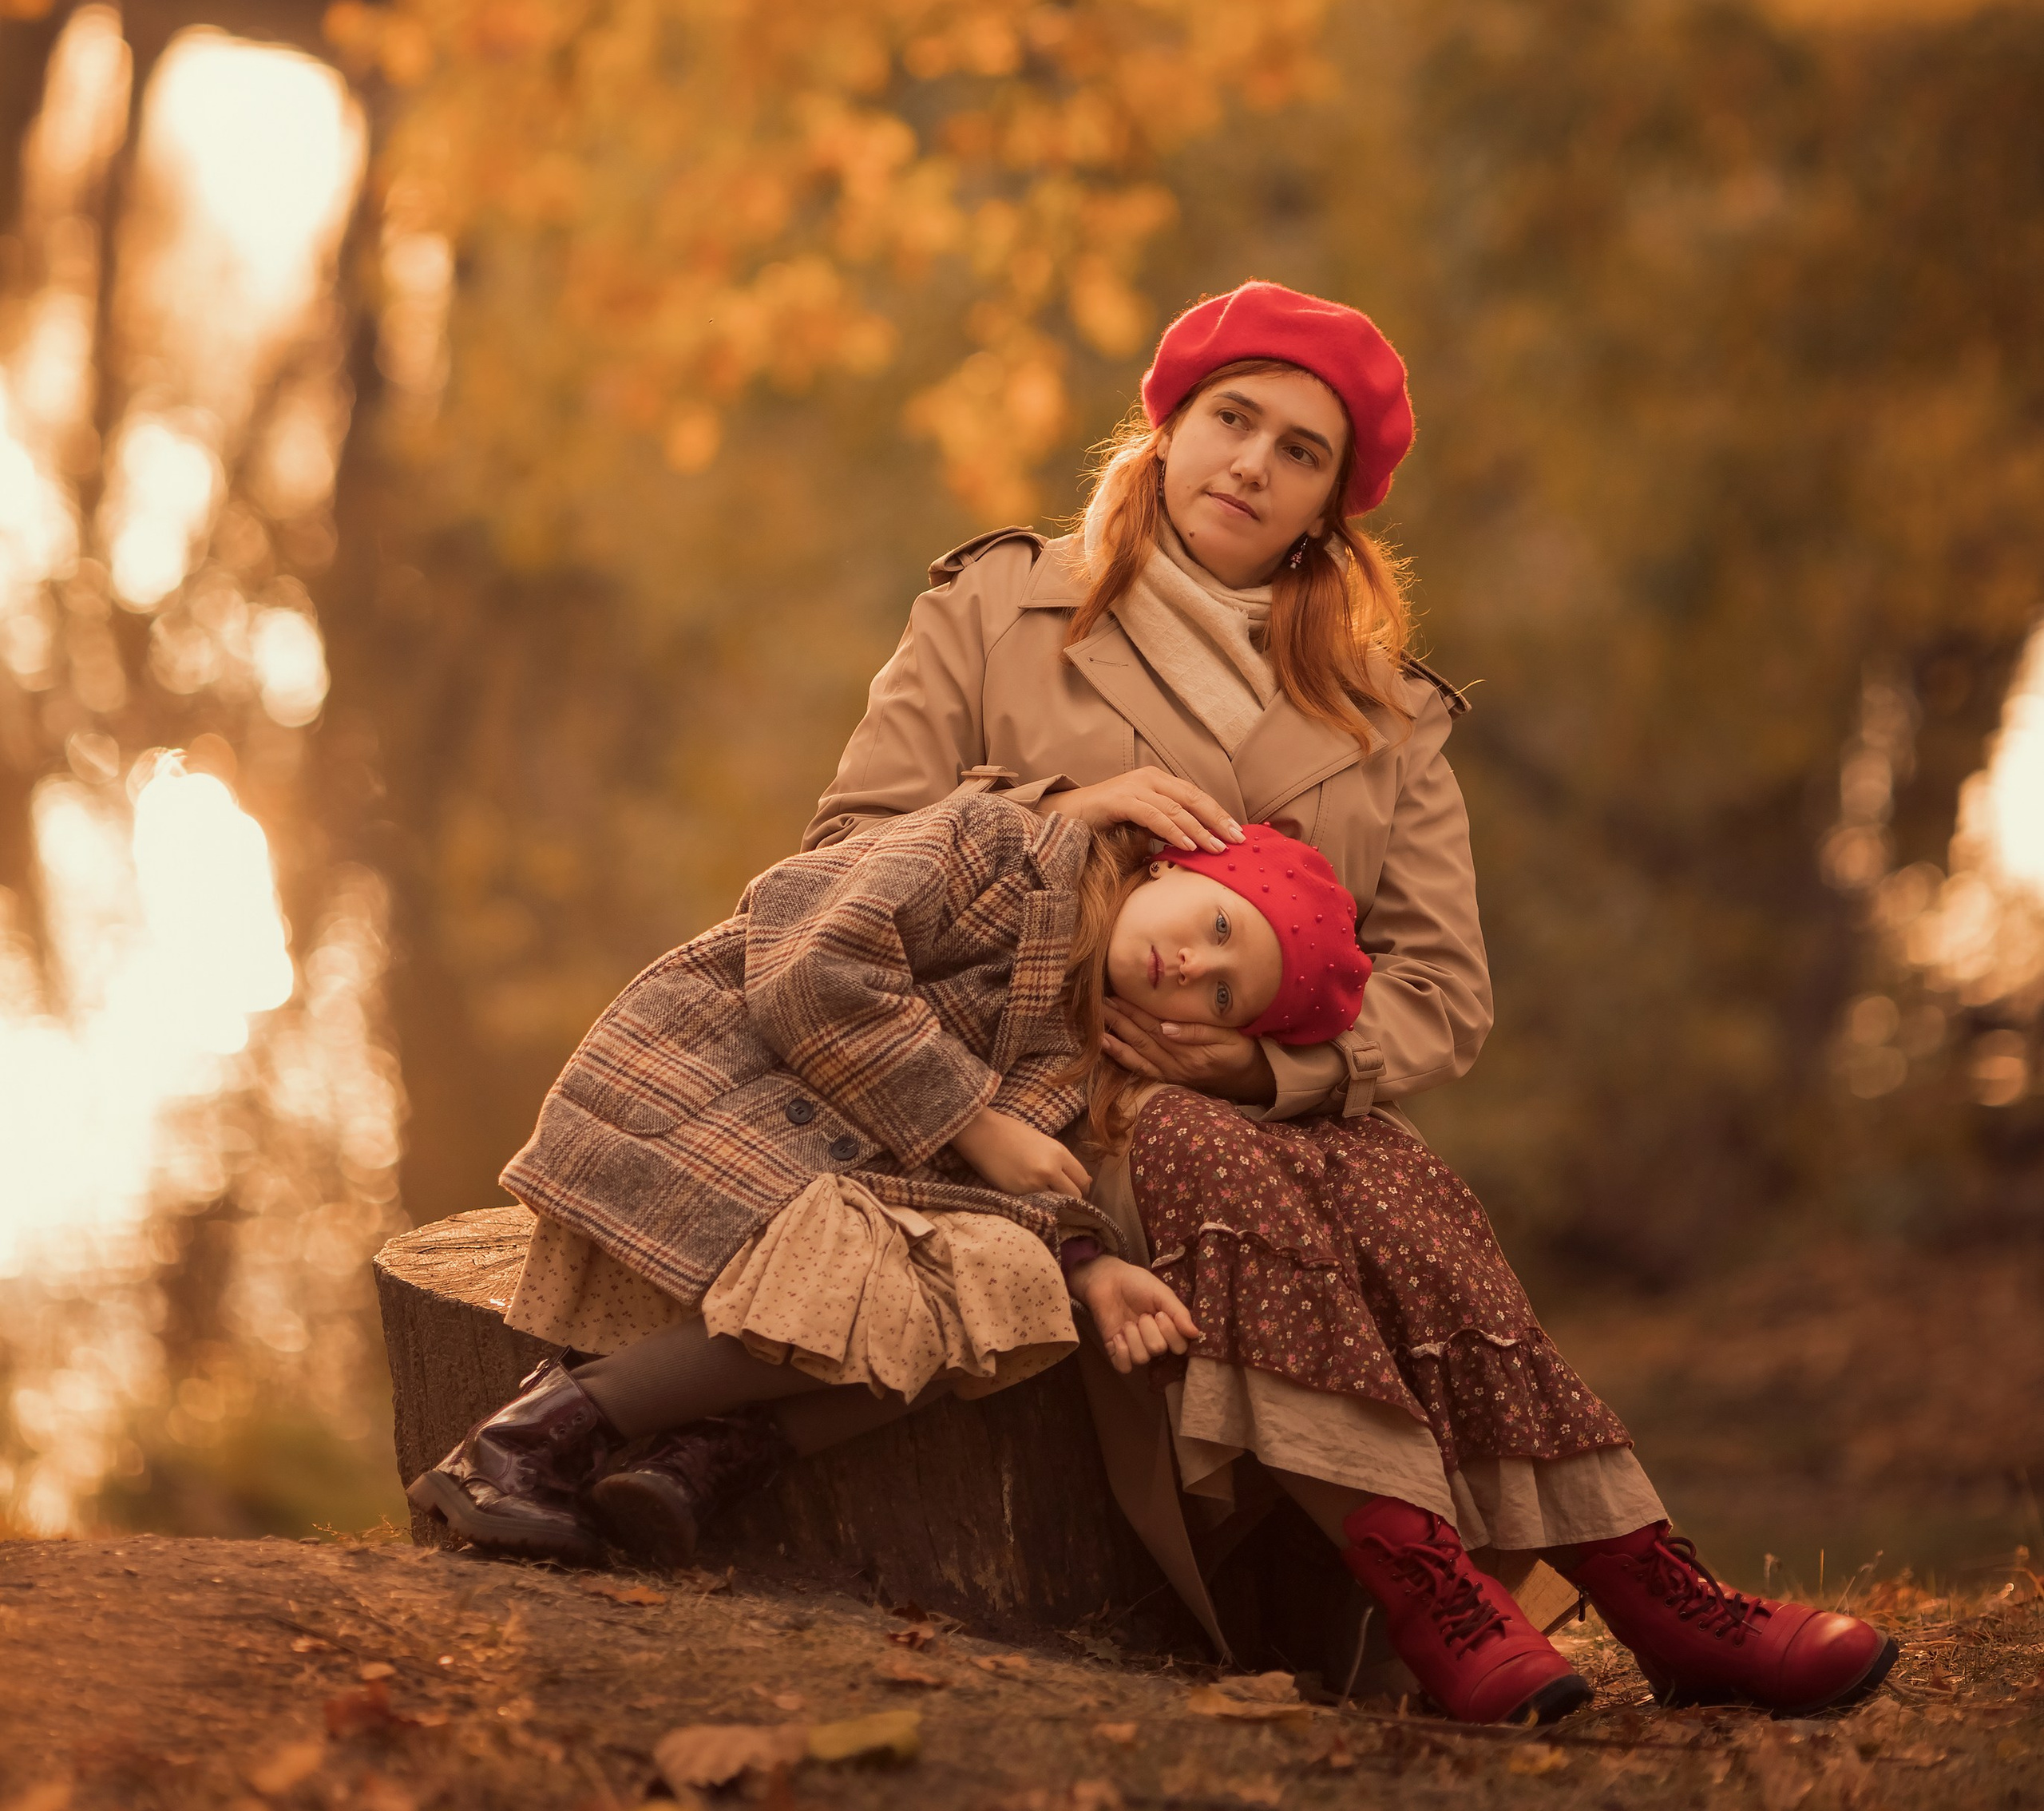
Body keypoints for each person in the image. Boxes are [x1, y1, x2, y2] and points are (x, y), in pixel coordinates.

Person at [788, 279, 1899, 1726]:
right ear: (1168, 430)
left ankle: (1654, 1588)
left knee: (1418, 1196)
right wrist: (1063, 809)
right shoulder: (996, 608)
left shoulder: (1385, 715)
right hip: (1042, 1098)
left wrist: (1265, 1069)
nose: (1251, 462)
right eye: (1230, 420)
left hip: (1280, 1109)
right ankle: (1426, 1587)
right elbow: (840, 862)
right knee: (1196, 1149)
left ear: (1329, 505)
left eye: (1298, 450)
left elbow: (1442, 994)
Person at [408, 781, 1368, 1595]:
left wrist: (1090, 1267)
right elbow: (811, 963)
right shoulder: (1000, 846)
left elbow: (971, 1200)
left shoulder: (1082, 1047)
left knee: (1012, 1290)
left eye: (1220, 994)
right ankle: (523, 1438)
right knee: (873, 1274)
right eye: (1215, 925)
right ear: (1175, 864)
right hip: (720, 1107)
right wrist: (974, 1122)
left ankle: (704, 1456)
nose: (1192, 964)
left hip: (838, 1185)